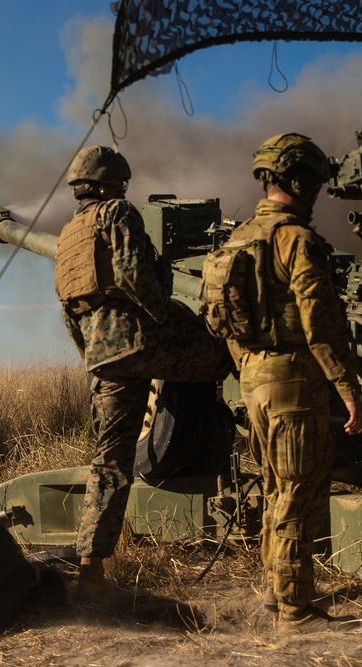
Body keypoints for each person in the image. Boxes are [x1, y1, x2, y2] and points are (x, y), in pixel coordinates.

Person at [55, 145, 232, 596]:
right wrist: (167, 316)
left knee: (110, 461)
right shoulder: (117, 212)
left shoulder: (68, 234)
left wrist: (92, 355)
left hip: (103, 356)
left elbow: (68, 308)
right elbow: (135, 275)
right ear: (115, 181)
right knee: (227, 356)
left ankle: (90, 570)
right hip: (139, 341)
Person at [220, 133, 362, 630]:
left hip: (252, 380)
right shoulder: (297, 240)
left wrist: (250, 366)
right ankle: (296, 613)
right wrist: (349, 391)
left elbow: (219, 321)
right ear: (301, 180)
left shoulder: (238, 238)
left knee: (274, 488)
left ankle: (275, 594)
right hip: (293, 382)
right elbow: (320, 326)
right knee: (299, 494)